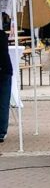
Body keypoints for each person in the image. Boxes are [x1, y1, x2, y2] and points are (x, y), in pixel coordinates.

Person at [0, 13, 12, 143]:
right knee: (3, 103)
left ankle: (1, 131)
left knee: (3, 103)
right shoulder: (2, 35)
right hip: (4, 70)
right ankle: (1, 132)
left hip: (3, 70)